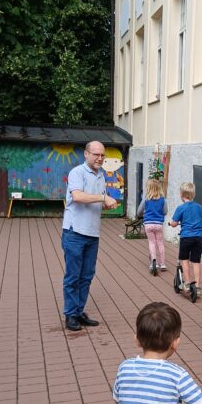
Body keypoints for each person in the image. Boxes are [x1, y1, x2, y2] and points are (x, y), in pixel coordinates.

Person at [61, 141, 117, 331]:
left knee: (86, 276)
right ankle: (70, 315)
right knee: (73, 276)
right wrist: (103, 198)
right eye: (96, 154)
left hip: (93, 233)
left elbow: (96, 200)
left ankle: (78, 311)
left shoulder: (101, 175)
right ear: (86, 154)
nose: (100, 158)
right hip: (74, 232)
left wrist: (106, 203)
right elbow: (77, 197)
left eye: (102, 155)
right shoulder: (77, 172)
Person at [169, 182, 202, 294]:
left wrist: (171, 224)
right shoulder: (199, 207)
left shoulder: (181, 208)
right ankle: (198, 286)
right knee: (196, 261)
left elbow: (175, 223)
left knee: (184, 259)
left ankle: (187, 283)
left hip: (186, 237)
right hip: (198, 237)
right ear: (193, 194)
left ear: (181, 194)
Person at [137, 178, 168, 271]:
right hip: (158, 224)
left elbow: (139, 212)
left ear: (148, 188)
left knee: (152, 243)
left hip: (148, 224)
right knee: (160, 243)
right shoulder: (163, 200)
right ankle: (162, 264)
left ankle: (153, 262)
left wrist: (142, 215)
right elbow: (165, 211)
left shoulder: (145, 200)